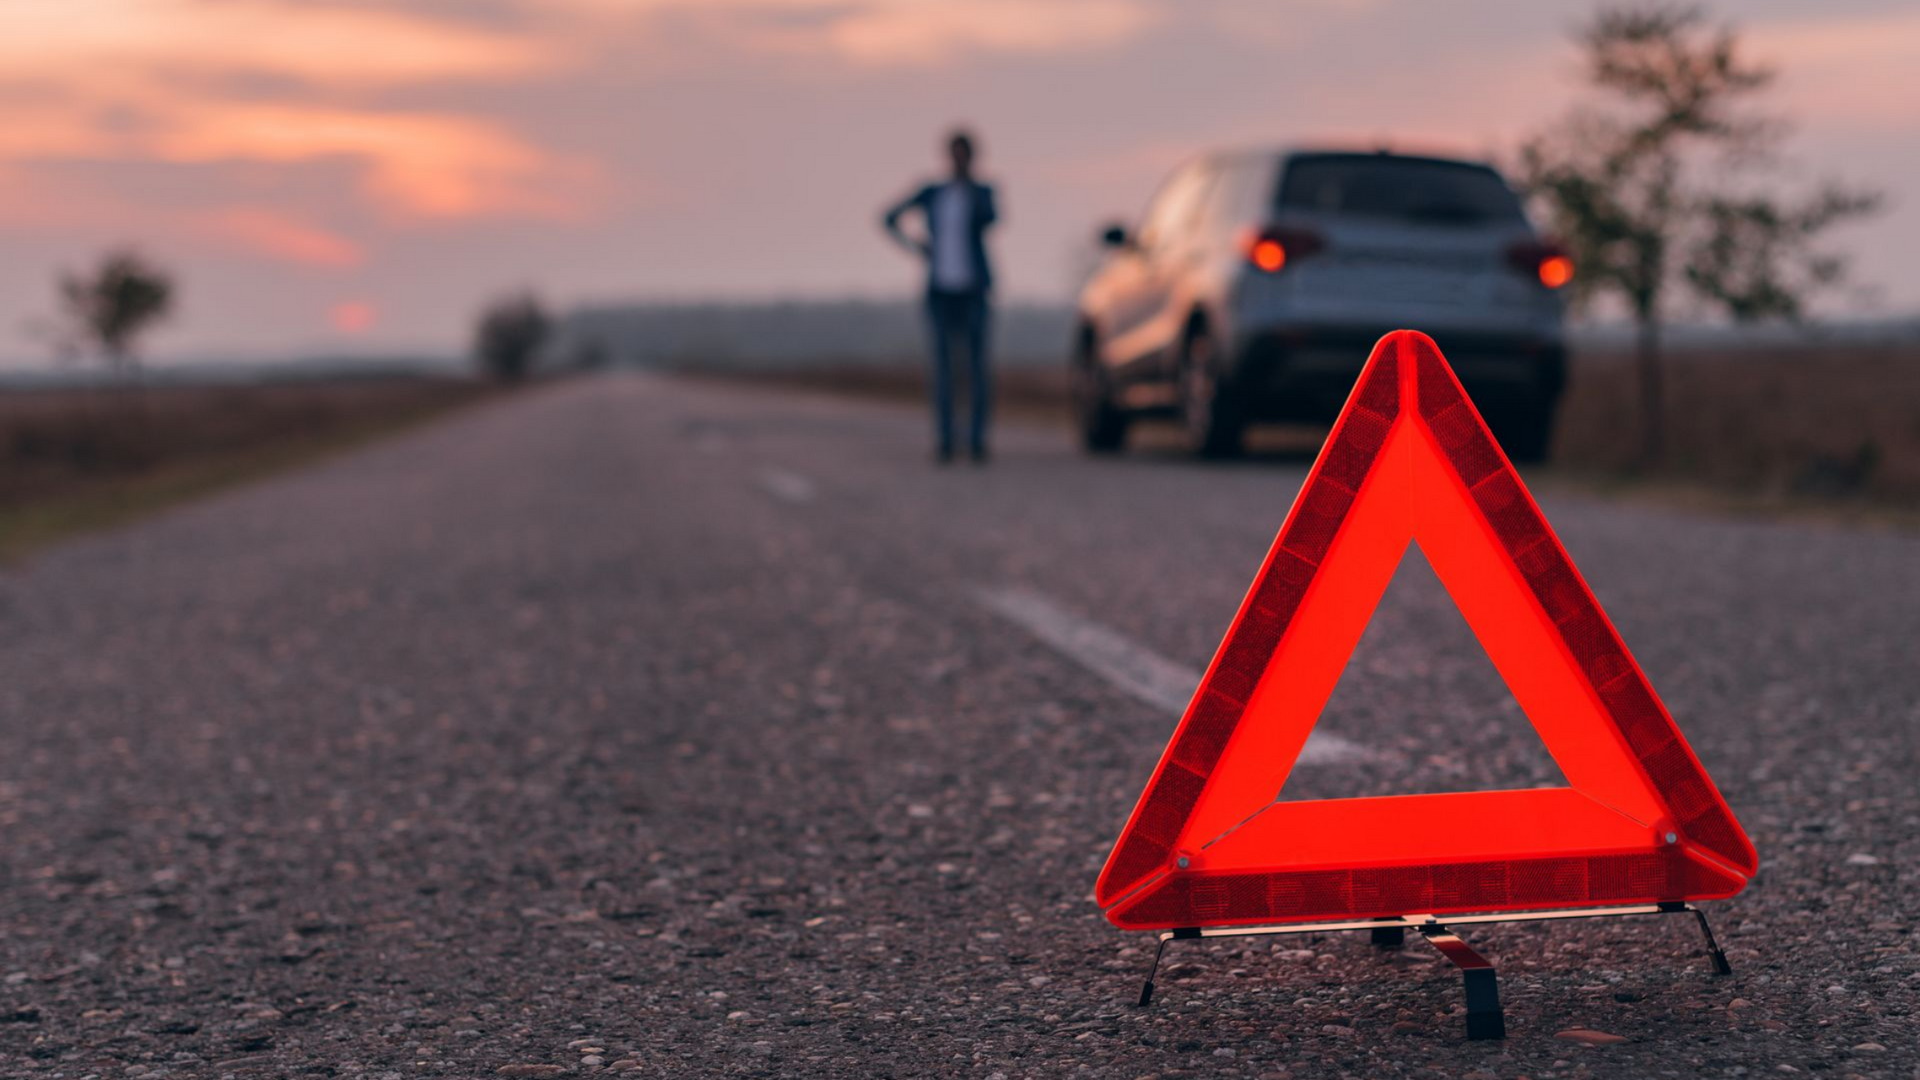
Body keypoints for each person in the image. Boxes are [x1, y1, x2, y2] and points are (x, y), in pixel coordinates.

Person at [882, 129, 998, 464]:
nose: (960, 160)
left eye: (965, 154)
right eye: (956, 154)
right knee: (944, 368)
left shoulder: (981, 192)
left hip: (974, 289)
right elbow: (890, 217)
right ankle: (946, 439)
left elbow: (991, 219)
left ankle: (976, 440)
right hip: (940, 291)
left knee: (976, 368)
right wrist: (917, 246)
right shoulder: (933, 192)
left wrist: (970, 188)